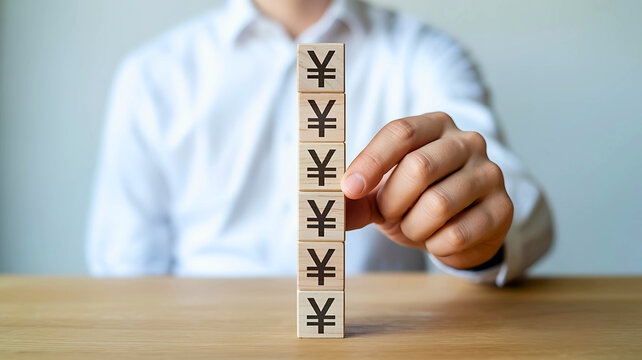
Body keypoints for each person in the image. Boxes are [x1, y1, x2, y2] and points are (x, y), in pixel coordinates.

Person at [87, 0, 553, 286]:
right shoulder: (152, 73)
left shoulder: (426, 55)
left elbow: (518, 205)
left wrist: (481, 238)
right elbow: (123, 268)